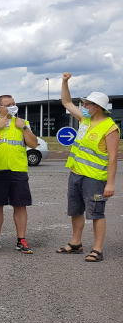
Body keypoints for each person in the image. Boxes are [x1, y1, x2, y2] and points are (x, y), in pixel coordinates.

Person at [57, 72, 119, 262]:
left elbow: (113, 157)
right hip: (76, 173)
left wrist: (110, 184)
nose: (83, 106)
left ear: (98, 107)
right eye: (83, 104)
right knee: (75, 210)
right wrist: (65, 82)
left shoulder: (110, 128)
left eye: (87, 104)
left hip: (95, 178)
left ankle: (97, 249)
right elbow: (66, 102)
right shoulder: (86, 120)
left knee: (96, 213)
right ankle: (76, 243)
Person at [0, 95, 38, 253]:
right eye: (8, 105)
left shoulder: (22, 122)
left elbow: (33, 144)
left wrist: (24, 127)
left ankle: (21, 239)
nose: (12, 107)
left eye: (13, 104)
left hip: (18, 170)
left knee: (20, 205)